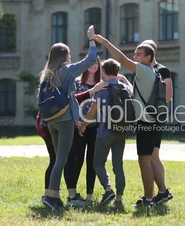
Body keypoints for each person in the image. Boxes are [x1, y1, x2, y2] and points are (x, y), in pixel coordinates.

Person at [93, 34, 161, 207]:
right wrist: (123, 79)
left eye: (139, 54)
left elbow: (121, 59)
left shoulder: (144, 70)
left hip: (146, 122)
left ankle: (148, 199)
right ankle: (150, 197)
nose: (135, 57)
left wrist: (105, 42)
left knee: (144, 160)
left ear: (149, 57)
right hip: (152, 120)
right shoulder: (152, 72)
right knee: (146, 159)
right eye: (135, 54)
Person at [39, 25, 98, 211]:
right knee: (62, 159)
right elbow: (91, 59)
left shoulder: (46, 74)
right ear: (65, 56)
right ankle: (51, 196)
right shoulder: (67, 70)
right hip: (64, 122)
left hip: (50, 121)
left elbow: (59, 98)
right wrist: (91, 39)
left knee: (58, 159)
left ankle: (52, 195)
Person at [36, 84, 107, 208]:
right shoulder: (64, 78)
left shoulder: (47, 81)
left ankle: (49, 194)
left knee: (55, 160)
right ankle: (63, 196)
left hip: (45, 123)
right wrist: (91, 91)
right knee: (65, 159)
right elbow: (72, 100)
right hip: (58, 123)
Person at [79, 58, 131, 206]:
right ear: (117, 72)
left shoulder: (101, 89)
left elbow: (91, 113)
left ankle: (108, 189)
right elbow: (133, 93)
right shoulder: (125, 89)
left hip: (104, 132)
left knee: (98, 163)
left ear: (103, 72)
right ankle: (119, 198)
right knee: (118, 165)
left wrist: (83, 126)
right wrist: (124, 80)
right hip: (121, 131)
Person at [140, 40, 173, 204]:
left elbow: (168, 96)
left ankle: (159, 192)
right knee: (154, 156)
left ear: (150, 53)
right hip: (153, 116)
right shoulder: (147, 70)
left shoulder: (161, 70)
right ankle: (160, 193)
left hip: (155, 116)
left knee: (151, 156)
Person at [68, 56, 102, 206]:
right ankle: (73, 193)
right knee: (78, 159)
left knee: (92, 161)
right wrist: (79, 124)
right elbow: (72, 100)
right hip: (79, 128)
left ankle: (89, 194)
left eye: (97, 63)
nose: (94, 65)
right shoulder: (76, 83)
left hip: (96, 127)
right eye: (91, 62)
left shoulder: (101, 84)